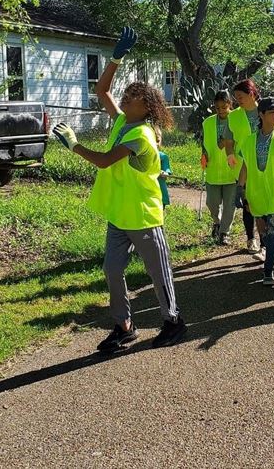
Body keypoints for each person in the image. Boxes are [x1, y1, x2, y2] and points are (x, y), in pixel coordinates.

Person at [51, 27, 186, 351]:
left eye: (131, 99)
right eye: (124, 97)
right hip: (119, 214)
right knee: (112, 271)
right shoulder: (123, 121)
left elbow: (105, 161)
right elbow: (101, 90)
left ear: (147, 107)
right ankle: (125, 326)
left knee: (159, 273)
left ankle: (174, 321)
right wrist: (115, 57)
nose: (124, 100)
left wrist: (74, 145)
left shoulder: (141, 135)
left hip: (143, 216)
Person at [235, 97, 274, 286]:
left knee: (273, 231)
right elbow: (245, 166)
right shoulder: (249, 141)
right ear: (261, 114)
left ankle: (268, 271)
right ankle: (272, 253)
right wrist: (239, 189)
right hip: (256, 194)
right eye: (272, 113)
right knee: (264, 232)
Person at [223, 79, 264, 260]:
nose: (238, 100)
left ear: (252, 94)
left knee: (262, 204)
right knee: (247, 203)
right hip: (242, 165)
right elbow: (228, 139)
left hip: (264, 162)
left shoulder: (265, 110)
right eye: (236, 97)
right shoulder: (234, 116)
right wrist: (229, 154)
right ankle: (251, 239)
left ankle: (265, 243)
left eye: (241, 96)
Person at [201, 90, 239, 245]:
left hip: (232, 169)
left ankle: (224, 232)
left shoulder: (236, 120)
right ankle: (217, 222)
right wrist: (203, 154)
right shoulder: (208, 122)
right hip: (213, 169)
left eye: (224, 107)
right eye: (218, 108)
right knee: (211, 202)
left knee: (230, 204)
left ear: (230, 104)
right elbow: (204, 143)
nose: (221, 110)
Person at [154, 126, 172, 208]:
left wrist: (163, 173)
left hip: (160, 192)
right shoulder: (142, 156)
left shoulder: (163, 157)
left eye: (157, 141)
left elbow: (167, 172)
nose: (155, 144)